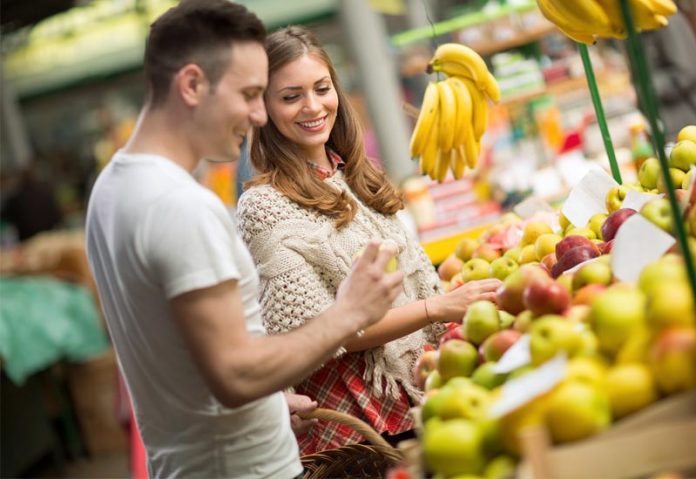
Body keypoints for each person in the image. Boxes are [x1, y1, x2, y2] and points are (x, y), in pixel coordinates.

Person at [84, 2, 404, 478]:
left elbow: (193, 360)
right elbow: (237, 374)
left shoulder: (111, 188)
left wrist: (272, 404)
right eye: (251, 94)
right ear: (192, 85)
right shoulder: (180, 206)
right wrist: (348, 314)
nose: (259, 115)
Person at [236, 25, 501, 455]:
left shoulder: (357, 175)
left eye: (322, 88)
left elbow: (406, 284)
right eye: (290, 96)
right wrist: (439, 307)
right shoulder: (263, 207)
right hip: (361, 420)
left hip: (424, 386)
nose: (312, 106)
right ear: (263, 109)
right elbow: (322, 330)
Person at [641, 9, 696, 140]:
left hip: (685, 119)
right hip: (665, 122)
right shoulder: (642, 27)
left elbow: (685, 72)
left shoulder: (668, 21)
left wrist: (643, 88)